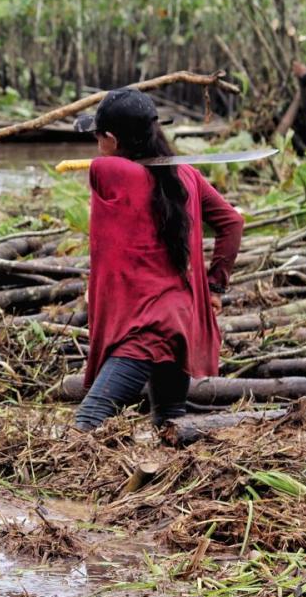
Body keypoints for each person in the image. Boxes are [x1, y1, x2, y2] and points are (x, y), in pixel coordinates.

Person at [71, 88, 245, 430]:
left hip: (146, 329)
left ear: (111, 138)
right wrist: (215, 287)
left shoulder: (109, 172)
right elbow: (233, 222)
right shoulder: (186, 176)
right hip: (180, 319)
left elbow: (108, 167)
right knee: (170, 426)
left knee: (87, 424)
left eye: (97, 136)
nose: (96, 144)